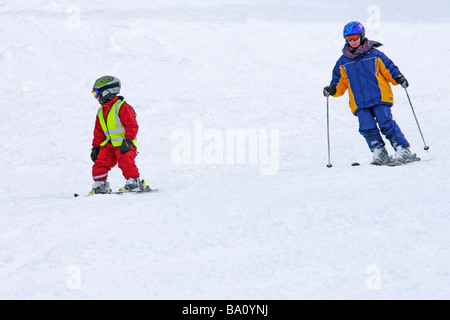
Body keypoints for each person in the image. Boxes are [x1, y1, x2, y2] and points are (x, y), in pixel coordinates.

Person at [323, 21, 416, 165]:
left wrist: (398, 78)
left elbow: (390, 69)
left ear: (361, 36)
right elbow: (339, 83)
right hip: (359, 101)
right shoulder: (342, 62)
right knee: (366, 126)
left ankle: (402, 148)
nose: (352, 41)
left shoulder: (375, 54)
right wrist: (332, 90)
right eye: (349, 39)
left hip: (379, 97)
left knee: (386, 123)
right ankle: (379, 150)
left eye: (354, 37)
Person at [90, 75, 150, 193]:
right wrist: (96, 147)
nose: (96, 97)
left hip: (124, 144)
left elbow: (132, 125)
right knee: (100, 162)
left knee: (126, 161)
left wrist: (128, 140)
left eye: (96, 93)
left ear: (107, 92)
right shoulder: (101, 112)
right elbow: (98, 133)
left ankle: (133, 182)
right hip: (109, 145)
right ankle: (100, 184)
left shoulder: (122, 107)